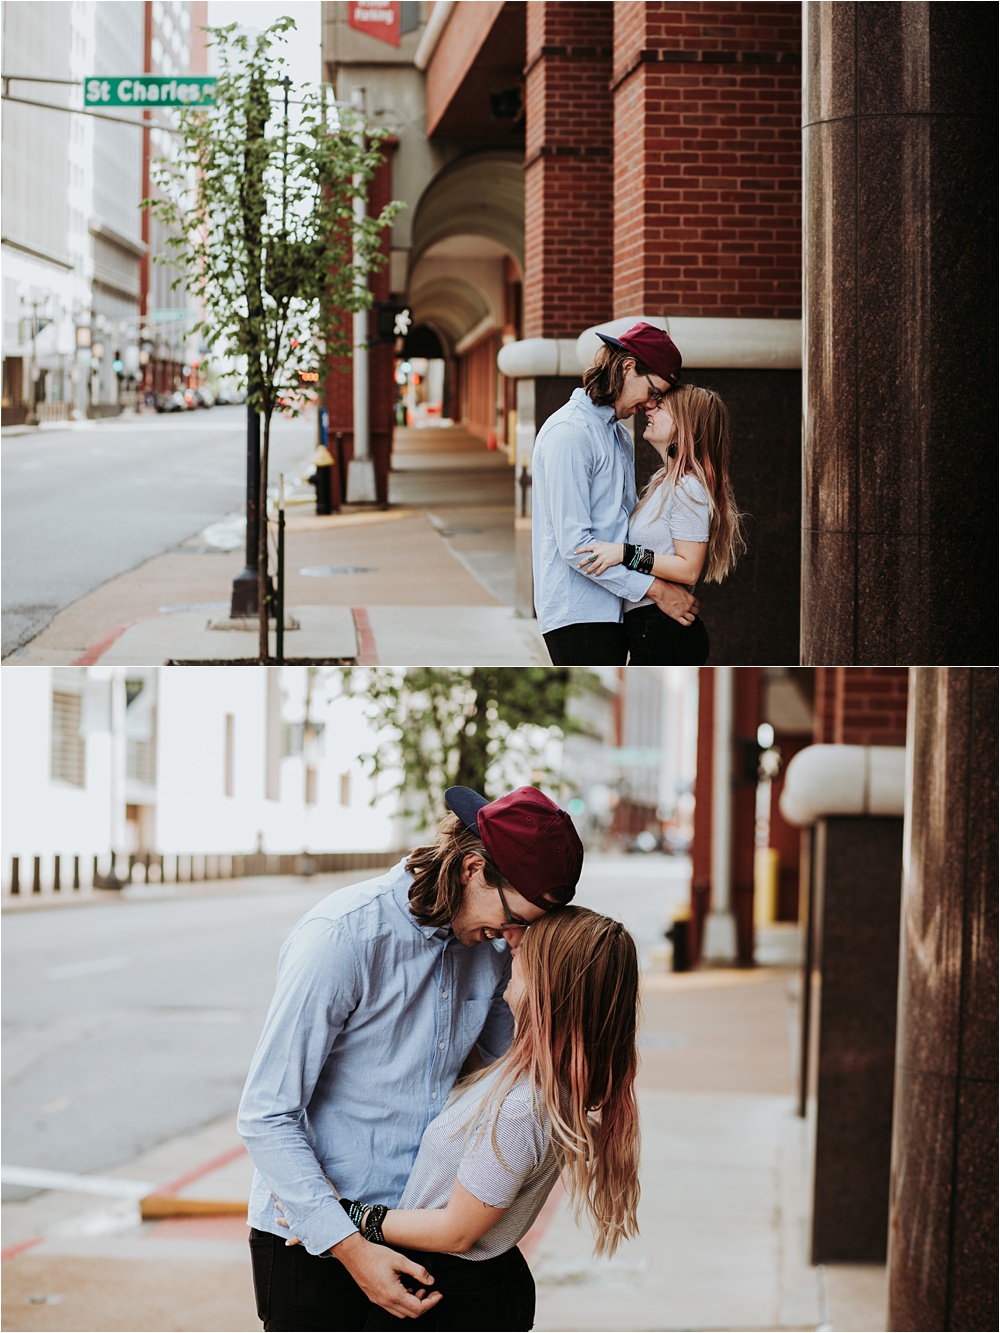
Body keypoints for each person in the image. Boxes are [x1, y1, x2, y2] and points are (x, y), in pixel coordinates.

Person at [237, 783, 584, 1332]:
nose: (514, 937)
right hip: (313, 1239)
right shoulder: (342, 937)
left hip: (419, 1232)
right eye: (514, 916)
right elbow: (265, 1114)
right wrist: (351, 1249)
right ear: (474, 868)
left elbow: (506, 1077)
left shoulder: (493, 949)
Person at [274, 905, 641, 1333]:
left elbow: (456, 1231)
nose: (509, 950)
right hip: (473, 1286)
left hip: (449, 1293)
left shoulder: (522, 1106)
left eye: (524, 952)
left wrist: (343, 1216)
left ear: (548, 984)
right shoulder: (530, 1076)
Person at [531, 320, 699, 666]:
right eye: (654, 392)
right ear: (628, 368)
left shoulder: (618, 436)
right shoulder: (570, 433)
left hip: (615, 607)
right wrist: (657, 590)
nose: (653, 405)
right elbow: (577, 547)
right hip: (579, 611)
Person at [575, 384, 746, 665]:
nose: (649, 409)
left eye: (661, 407)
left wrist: (625, 553)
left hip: (664, 630)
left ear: (684, 426)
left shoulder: (688, 487)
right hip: (650, 628)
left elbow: (689, 569)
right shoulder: (662, 483)